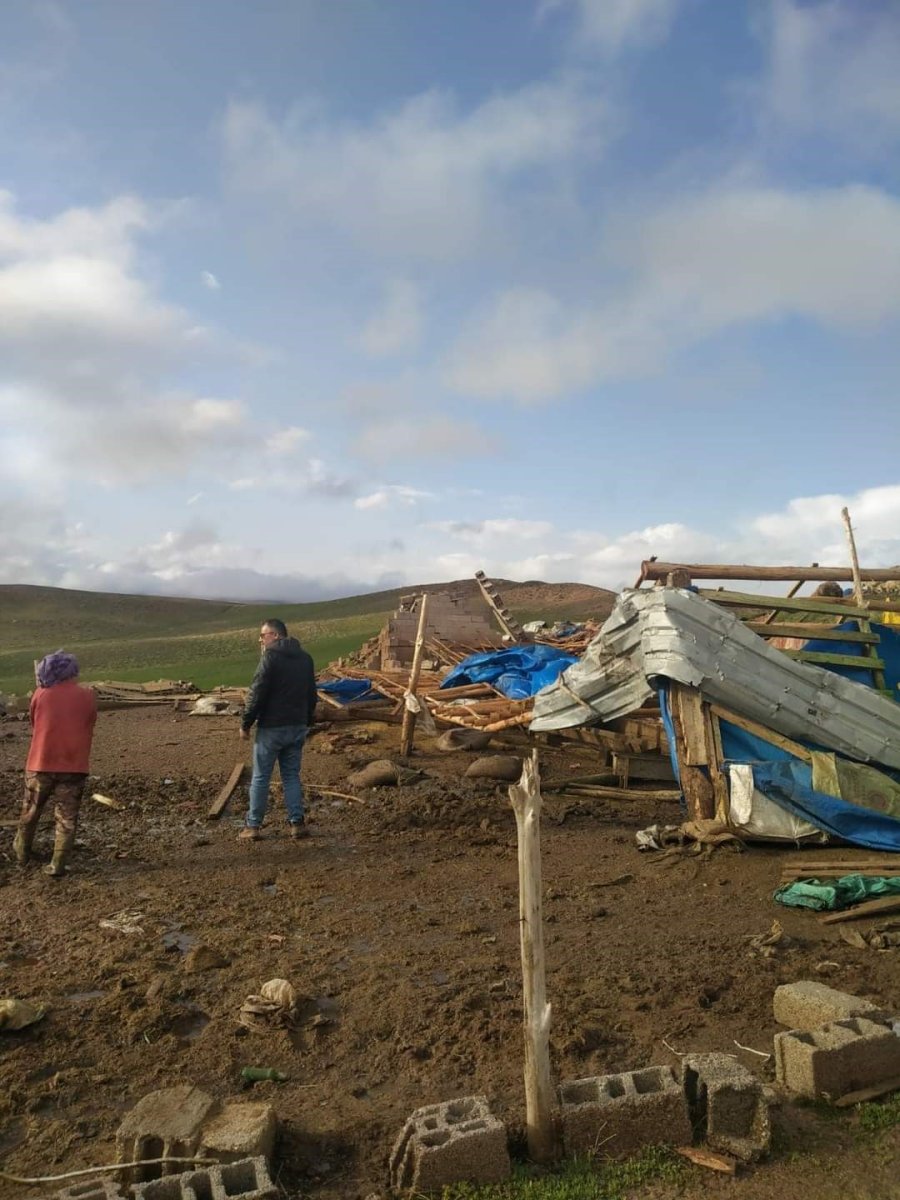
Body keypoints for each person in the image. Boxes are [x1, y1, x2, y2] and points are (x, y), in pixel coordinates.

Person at [15, 651, 98, 877]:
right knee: (67, 816)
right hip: (74, 765)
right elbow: (89, 722)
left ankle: (22, 852)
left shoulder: (40, 695)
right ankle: (58, 863)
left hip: (40, 762)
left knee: (31, 810)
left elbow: (35, 722)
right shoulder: (88, 696)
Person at [239, 619, 317, 842]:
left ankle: (253, 826)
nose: (260, 640)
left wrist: (245, 723)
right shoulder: (305, 658)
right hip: (297, 726)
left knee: (261, 777)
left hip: (271, 727)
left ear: (274, 635)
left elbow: (257, 692)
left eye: (262, 636)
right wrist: (307, 720)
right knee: (291, 775)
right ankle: (297, 823)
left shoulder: (270, 657)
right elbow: (312, 693)